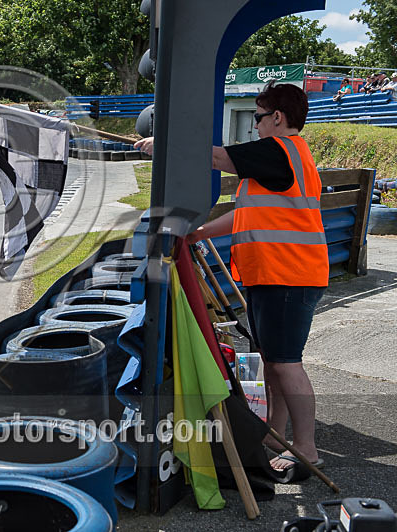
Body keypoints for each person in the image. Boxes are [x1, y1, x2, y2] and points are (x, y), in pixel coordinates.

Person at [134, 83, 328, 473]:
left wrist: (165, 147)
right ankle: (276, 434)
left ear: (277, 117)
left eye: (258, 117)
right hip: (277, 274)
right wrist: (200, 233)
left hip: (288, 276)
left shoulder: (280, 150)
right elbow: (249, 214)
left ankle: (306, 447)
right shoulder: (281, 161)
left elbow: (219, 157)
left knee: (287, 363)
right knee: (273, 362)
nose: (255, 125)